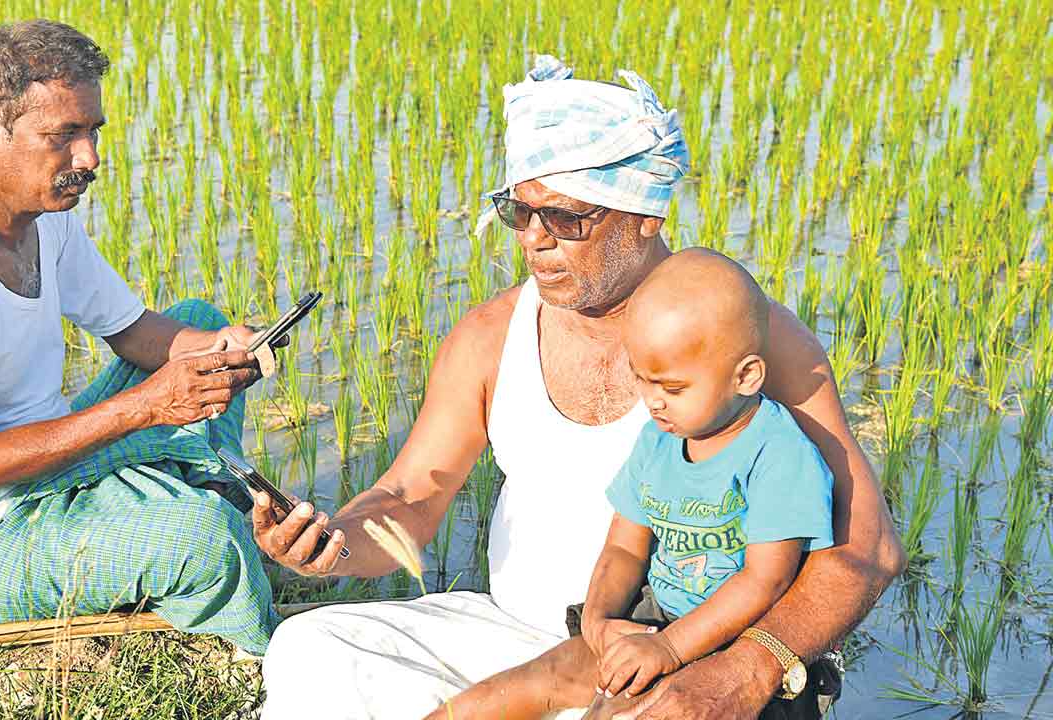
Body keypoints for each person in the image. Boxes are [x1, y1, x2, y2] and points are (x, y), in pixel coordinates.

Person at [256, 56, 904, 719]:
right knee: (313, 646)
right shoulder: (489, 337)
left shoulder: (744, 340)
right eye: (518, 211)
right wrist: (328, 545)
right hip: (513, 639)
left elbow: (868, 548)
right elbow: (407, 497)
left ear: (644, 215)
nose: (534, 241)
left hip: (682, 653)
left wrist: (748, 667)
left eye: (564, 218)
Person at [0, 20, 279, 654]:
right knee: (202, 537)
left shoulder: (44, 219)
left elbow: (133, 331)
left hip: (45, 478)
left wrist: (227, 349)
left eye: (92, 130)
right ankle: (268, 661)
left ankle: (218, 487)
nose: (89, 158)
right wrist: (147, 406)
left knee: (202, 328)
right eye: (62, 135)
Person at [440, 248, 838, 719]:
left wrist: (669, 650)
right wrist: (598, 620)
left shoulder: (777, 453)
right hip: (654, 624)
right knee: (522, 686)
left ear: (746, 376)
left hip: (737, 641)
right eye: (642, 380)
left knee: (616, 712)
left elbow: (763, 581)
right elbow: (625, 547)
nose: (653, 402)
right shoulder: (659, 441)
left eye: (672, 388)